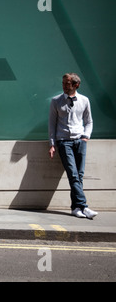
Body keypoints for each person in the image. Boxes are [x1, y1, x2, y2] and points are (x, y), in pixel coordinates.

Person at [48, 73, 97, 219]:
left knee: (79, 176)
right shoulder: (56, 101)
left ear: (76, 85)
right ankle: (84, 206)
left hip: (80, 140)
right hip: (64, 141)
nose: (63, 86)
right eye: (63, 83)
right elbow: (52, 124)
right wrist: (52, 144)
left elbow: (89, 121)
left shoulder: (84, 100)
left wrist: (85, 137)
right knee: (73, 175)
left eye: (66, 84)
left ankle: (75, 208)